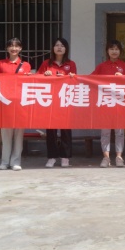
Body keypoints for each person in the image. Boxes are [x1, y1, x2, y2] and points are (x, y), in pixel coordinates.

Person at [91, 40, 125, 168]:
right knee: (105, 132)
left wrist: (123, 77)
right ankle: (106, 157)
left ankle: (119, 157)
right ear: (107, 51)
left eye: (116, 49)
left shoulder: (124, 66)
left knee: (119, 132)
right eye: (111, 49)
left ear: (120, 51)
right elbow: (90, 79)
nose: (114, 51)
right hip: (105, 103)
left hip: (120, 104)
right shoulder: (101, 66)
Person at [38, 37, 77, 168]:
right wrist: (45, 75)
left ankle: (65, 157)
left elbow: (75, 80)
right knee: (51, 130)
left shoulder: (71, 64)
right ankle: (52, 157)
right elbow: (37, 78)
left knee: (66, 129)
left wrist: (71, 77)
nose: (59, 48)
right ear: (53, 48)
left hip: (65, 100)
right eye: (57, 45)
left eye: (62, 45)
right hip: (50, 100)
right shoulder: (46, 63)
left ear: (66, 49)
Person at [0, 38, 32, 171]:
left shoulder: (26, 65)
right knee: (6, 135)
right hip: (5, 103)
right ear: (7, 48)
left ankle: (16, 161)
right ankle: (4, 162)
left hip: (20, 103)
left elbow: (28, 83)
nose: (13, 48)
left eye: (16, 46)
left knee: (19, 135)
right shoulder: (0, 63)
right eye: (11, 46)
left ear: (20, 48)